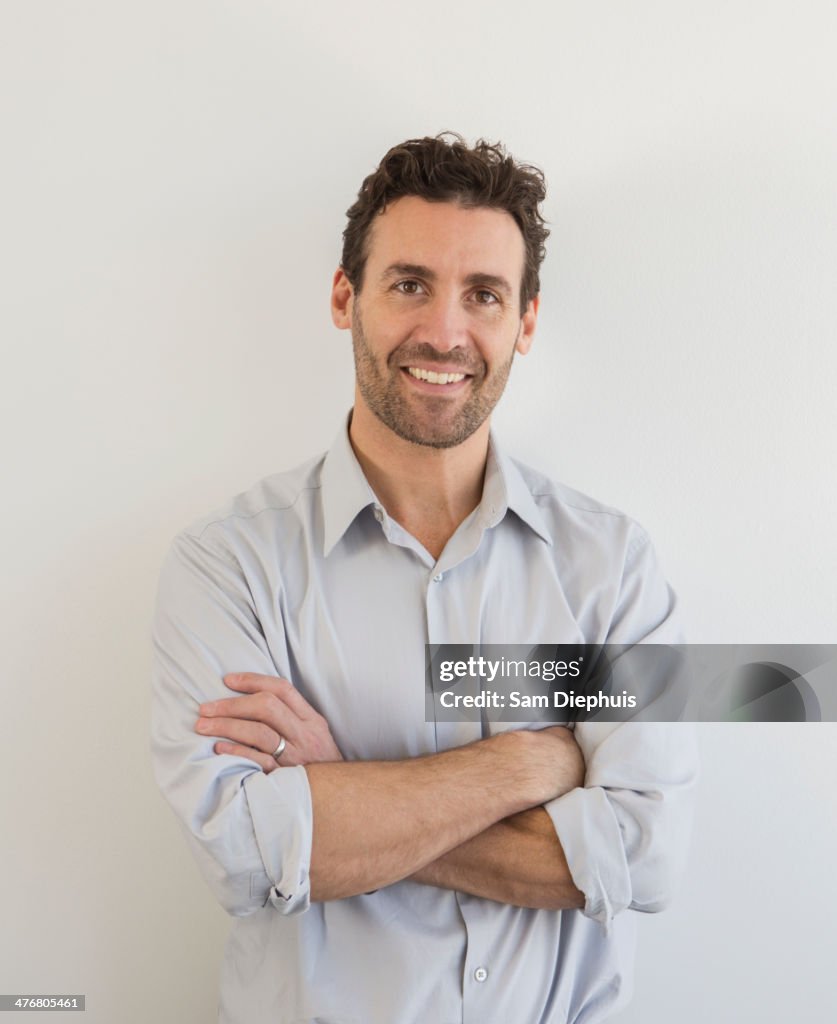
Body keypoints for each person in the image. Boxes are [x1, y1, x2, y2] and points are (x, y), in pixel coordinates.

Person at [151, 133, 698, 1024]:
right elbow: (247, 857)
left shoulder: (615, 565)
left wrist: (338, 790)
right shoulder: (227, 566)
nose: (444, 332)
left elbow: (642, 861)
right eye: (409, 284)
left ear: (523, 321)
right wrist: (531, 762)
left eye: (482, 295)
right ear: (345, 297)